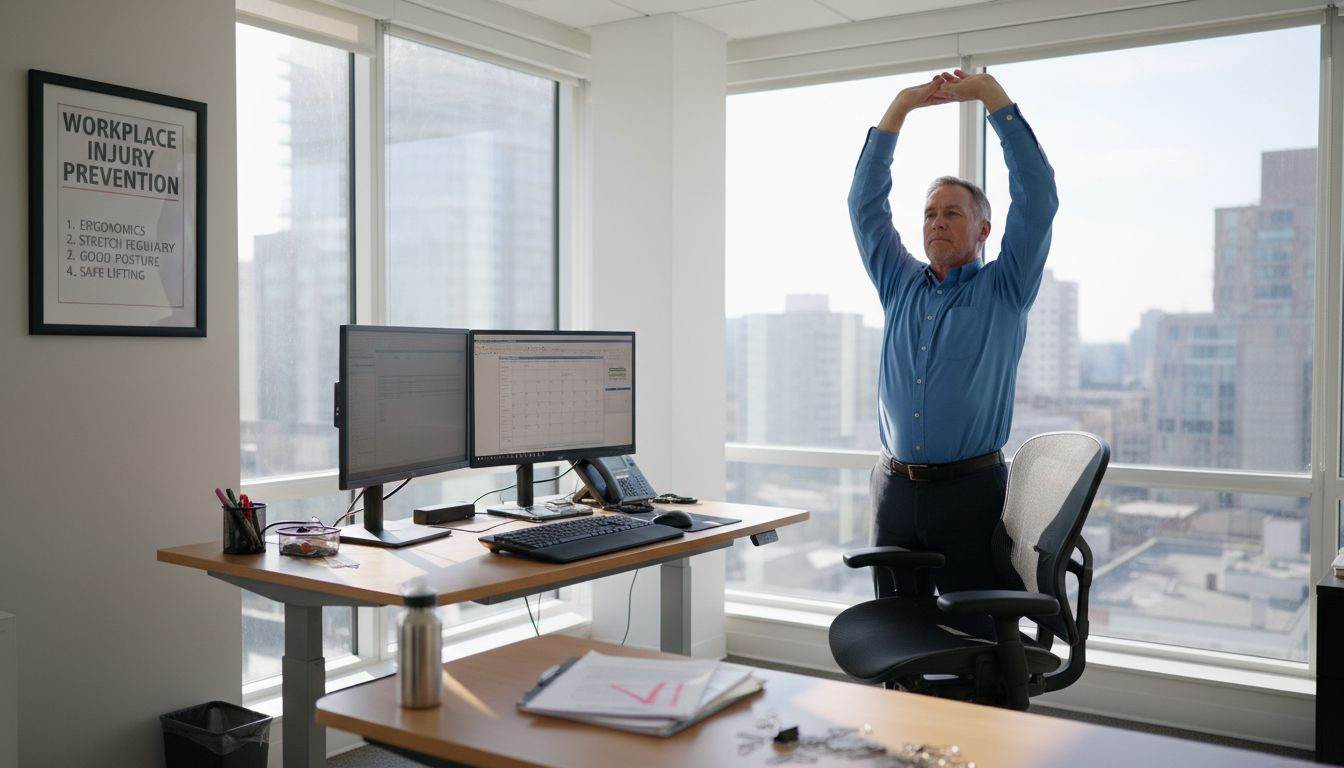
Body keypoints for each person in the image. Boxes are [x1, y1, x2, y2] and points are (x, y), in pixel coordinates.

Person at [848, 69, 1058, 624]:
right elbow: (865, 206)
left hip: (970, 494)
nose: (936, 223)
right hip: (893, 491)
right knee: (896, 635)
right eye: (929, 214)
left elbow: (1037, 196)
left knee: (974, 641)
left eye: (952, 213)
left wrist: (994, 100)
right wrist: (899, 109)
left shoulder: (1005, 288)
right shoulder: (898, 283)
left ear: (984, 230)